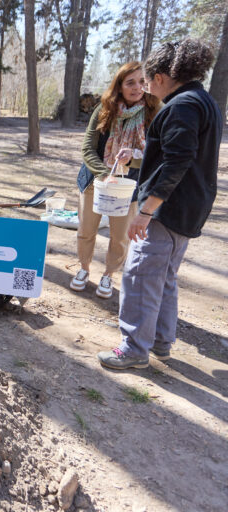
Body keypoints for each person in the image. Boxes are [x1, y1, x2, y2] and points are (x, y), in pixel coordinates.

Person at [98, 39, 222, 370]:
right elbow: (180, 154)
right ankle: (159, 341)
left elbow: (177, 162)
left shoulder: (182, 106)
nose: (146, 87)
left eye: (148, 80)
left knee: (140, 275)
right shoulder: (204, 101)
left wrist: (146, 211)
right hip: (188, 207)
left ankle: (134, 348)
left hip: (167, 209)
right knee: (163, 276)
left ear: (162, 77)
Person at [71, 62, 161, 299]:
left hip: (128, 185)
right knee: (86, 230)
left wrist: (133, 158)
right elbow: (87, 149)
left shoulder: (154, 112)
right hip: (96, 179)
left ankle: (108, 274)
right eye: (130, 82)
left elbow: (156, 155)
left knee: (120, 236)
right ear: (119, 86)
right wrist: (104, 174)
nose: (137, 87)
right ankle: (83, 268)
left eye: (141, 82)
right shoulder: (104, 109)